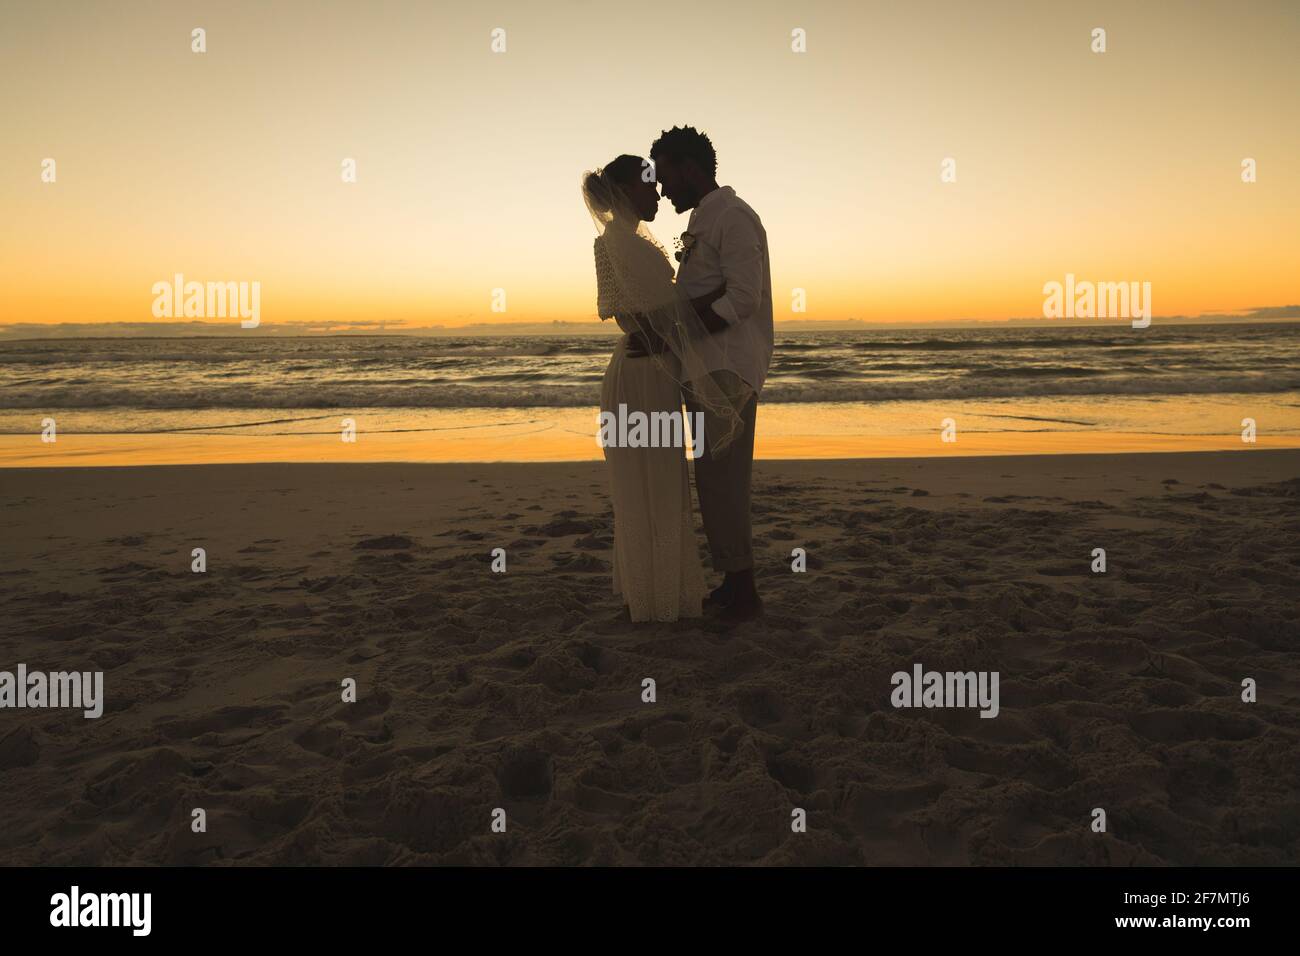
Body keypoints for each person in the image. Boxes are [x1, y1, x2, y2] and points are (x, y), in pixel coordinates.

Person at [583, 155, 734, 622]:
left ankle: (652, 597)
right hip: (643, 378)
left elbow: (649, 317)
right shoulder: (623, 243)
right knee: (655, 485)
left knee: (650, 485)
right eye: (649, 186)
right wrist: (725, 292)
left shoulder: (616, 241)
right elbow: (663, 316)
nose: (658, 194)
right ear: (627, 190)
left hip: (644, 372)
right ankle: (659, 601)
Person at [650, 126, 773, 622]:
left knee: (724, 478)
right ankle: (732, 580)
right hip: (706, 366)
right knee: (713, 477)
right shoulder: (706, 217)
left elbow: (745, 297)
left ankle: (744, 591)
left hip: (728, 367)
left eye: (664, 177)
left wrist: (678, 326)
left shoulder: (736, 217)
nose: (661, 189)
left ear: (689, 168)